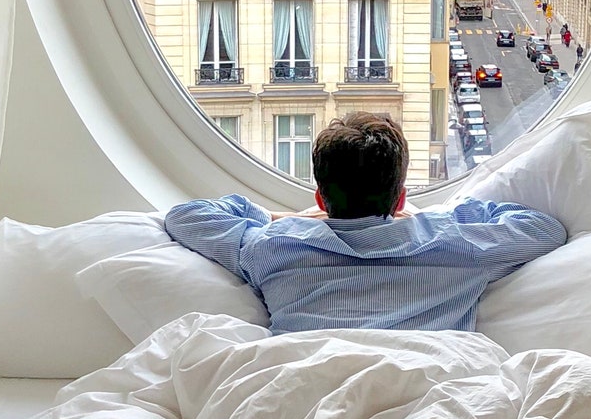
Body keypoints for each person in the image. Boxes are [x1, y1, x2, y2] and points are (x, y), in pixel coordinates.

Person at [164, 110, 565, 334]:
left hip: (305, 385)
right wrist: (449, 216)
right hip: (427, 393)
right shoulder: (456, 243)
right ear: (402, 196)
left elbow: (185, 217)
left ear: (321, 198)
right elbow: (544, 230)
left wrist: (276, 216)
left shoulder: (271, 245)